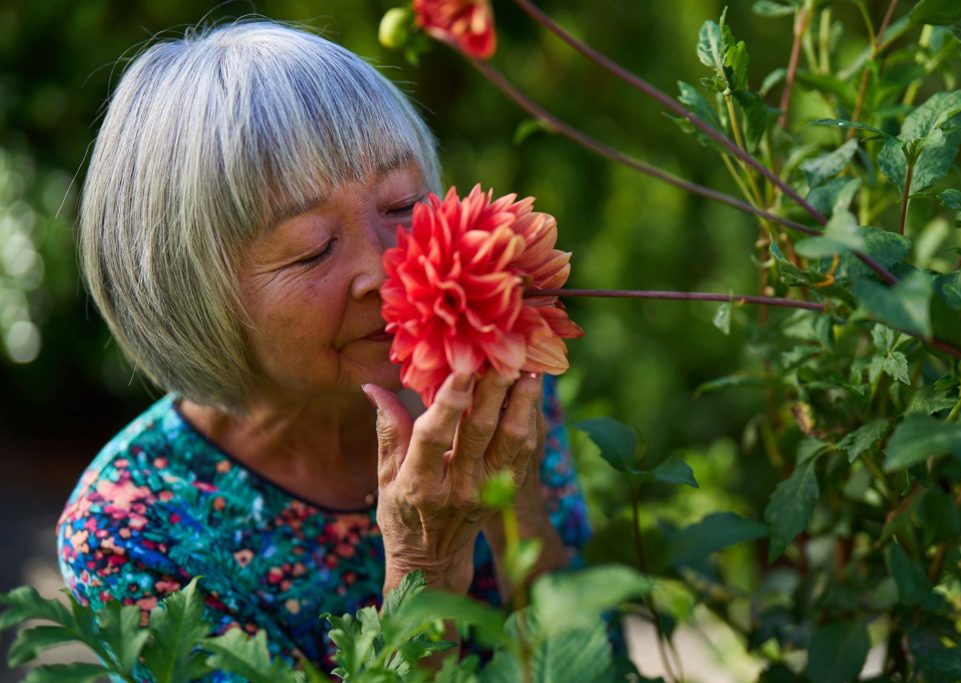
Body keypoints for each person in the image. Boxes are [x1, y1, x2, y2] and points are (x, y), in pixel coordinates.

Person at [55, 20, 591, 679]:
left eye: (401, 203)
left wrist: (514, 500)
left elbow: (596, 657)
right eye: (312, 247)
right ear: (189, 291)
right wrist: (424, 570)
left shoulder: (487, 368)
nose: (390, 267)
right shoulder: (132, 532)